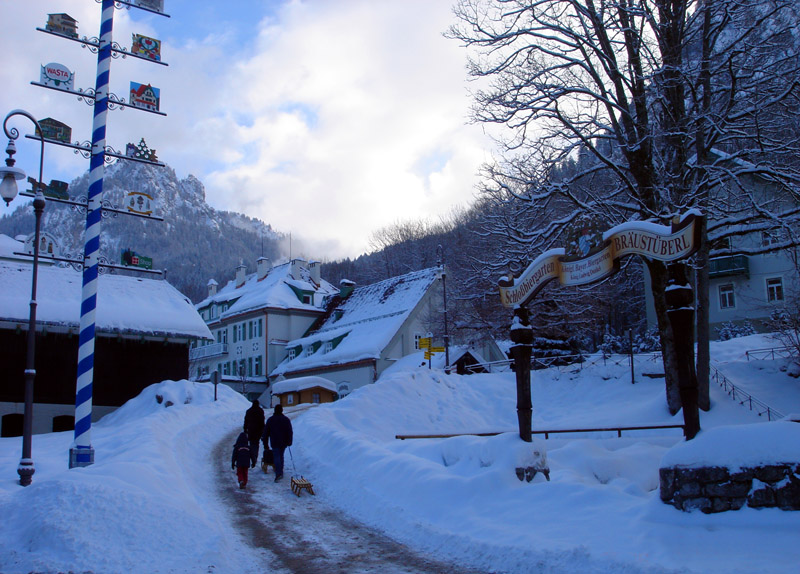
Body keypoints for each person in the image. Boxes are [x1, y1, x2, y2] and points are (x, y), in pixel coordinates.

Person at [261, 403, 293, 482]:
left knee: (277, 457)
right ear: (282, 410)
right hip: (284, 442)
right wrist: (289, 441)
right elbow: (290, 431)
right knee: (281, 456)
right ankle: (280, 471)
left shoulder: (270, 420)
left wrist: (265, 443)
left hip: (274, 441)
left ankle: (278, 473)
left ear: (275, 410)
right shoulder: (286, 420)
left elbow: (266, 433)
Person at [243, 399, 265, 467]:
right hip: (258, 430)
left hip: (250, 430)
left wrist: (245, 429)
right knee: (256, 444)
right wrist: (263, 430)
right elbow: (262, 421)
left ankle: (252, 457)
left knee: (252, 444)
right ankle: (255, 456)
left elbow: (246, 420)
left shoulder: (249, 411)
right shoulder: (260, 411)